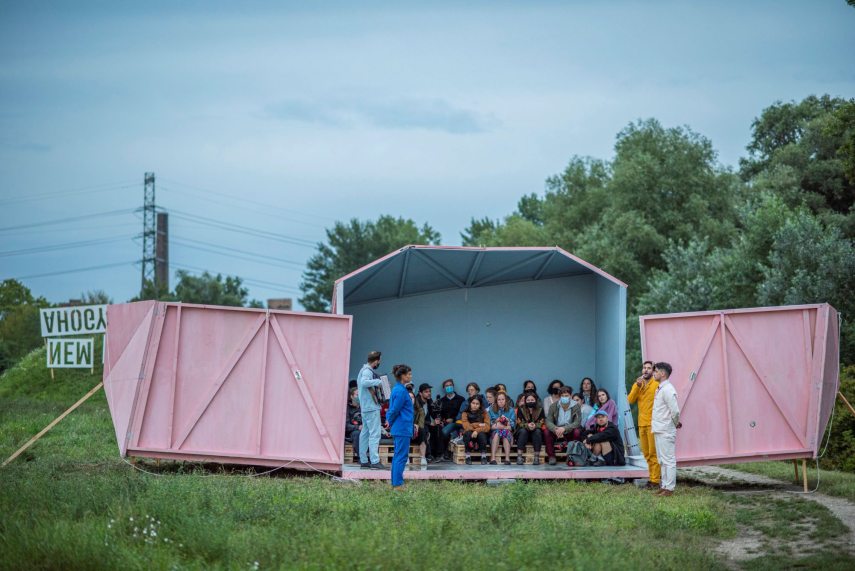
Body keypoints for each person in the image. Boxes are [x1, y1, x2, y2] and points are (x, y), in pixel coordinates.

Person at [628, 361, 660, 489]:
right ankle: (652, 478)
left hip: (653, 423)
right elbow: (630, 400)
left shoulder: (657, 385)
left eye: (649, 368)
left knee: (653, 453)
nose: (646, 370)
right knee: (646, 454)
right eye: (644, 368)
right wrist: (637, 386)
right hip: (642, 423)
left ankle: (655, 480)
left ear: (653, 371)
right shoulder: (638, 384)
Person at [652, 362, 682, 496]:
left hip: (665, 429)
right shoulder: (660, 388)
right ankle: (664, 485)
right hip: (659, 428)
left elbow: (675, 411)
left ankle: (669, 488)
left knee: (668, 459)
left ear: (663, 373)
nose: (654, 373)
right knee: (661, 459)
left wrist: (675, 423)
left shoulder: (668, 389)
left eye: (656, 371)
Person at [387, 364, 415, 490]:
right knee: (401, 456)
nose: (411, 376)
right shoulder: (401, 391)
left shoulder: (399, 389)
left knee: (398, 455)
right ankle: (398, 484)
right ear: (403, 376)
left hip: (401, 427)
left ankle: (395, 482)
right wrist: (390, 422)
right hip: (402, 428)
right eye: (409, 374)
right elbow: (394, 410)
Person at [357, 351, 385, 469]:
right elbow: (364, 383)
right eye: (379, 360)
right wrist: (379, 382)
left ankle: (363, 460)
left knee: (365, 433)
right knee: (375, 434)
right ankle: (374, 461)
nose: (380, 362)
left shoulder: (363, 370)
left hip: (365, 407)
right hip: (371, 407)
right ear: (376, 361)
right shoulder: (368, 371)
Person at [544, 386, 581, 465]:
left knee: (577, 432)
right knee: (547, 432)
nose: (564, 397)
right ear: (560, 396)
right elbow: (548, 421)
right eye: (562, 396)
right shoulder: (554, 406)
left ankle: (571, 456)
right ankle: (551, 456)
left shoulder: (576, 406)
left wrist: (564, 428)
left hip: (569, 430)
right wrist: (555, 428)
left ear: (570, 396)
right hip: (556, 430)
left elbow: (577, 422)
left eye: (566, 396)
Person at [435, 379, 465, 461]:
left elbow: (463, 413)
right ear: (444, 388)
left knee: (446, 431)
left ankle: (447, 452)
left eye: (450, 385)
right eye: (447, 386)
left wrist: (453, 419)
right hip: (445, 423)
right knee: (439, 430)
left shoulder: (461, 399)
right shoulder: (441, 400)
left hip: (457, 423)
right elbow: (439, 413)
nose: (449, 387)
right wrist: (441, 420)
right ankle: (442, 453)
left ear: (453, 386)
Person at [514, 391, 544, 465]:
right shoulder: (521, 409)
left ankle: (536, 457)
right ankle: (519, 457)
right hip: (523, 433)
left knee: (537, 431)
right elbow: (519, 422)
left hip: (535, 432)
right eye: (528, 400)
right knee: (523, 431)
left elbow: (542, 422)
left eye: (532, 400)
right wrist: (528, 426)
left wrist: (535, 425)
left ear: (536, 400)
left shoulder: (540, 410)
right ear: (525, 401)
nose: (530, 402)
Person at [460, 396, 491, 465]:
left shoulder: (484, 413)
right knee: (467, 434)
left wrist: (477, 431)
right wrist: (479, 425)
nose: (475, 405)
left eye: (477, 404)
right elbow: (466, 425)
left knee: (482, 434)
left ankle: (483, 456)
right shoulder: (465, 413)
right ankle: (468, 456)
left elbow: (487, 426)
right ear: (470, 403)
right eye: (473, 403)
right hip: (469, 432)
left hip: (480, 433)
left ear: (480, 405)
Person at [488, 392, 516, 465]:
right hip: (495, 430)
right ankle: (493, 458)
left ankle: (507, 458)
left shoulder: (511, 410)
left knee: (505, 433)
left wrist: (506, 423)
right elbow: (490, 425)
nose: (501, 401)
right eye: (499, 399)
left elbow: (512, 426)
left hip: (506, 430)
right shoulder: (491, 409)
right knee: (497, 433)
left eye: (503, 399)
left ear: (506, 400)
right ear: (496, 401)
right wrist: (497, 421)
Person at [414, 383, 434, 464]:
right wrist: (430, 423)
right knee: (424, 429)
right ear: (420, 393)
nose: (429, 393)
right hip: (417, 424)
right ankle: (427, 455)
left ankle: (438, 454)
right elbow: (417, 419)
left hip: (425, 423)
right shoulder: (416, 403)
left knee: (438, 429)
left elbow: (432, 413)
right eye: (426, 392)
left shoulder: (429, 401)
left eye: (429, 391)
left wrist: (437, 419)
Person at [345, 386, 362, 463]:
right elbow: (346, 426)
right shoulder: (347, 408)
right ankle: (361, 458)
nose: (359, 397)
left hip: (364, 430)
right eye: (357, 395)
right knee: (357, 434)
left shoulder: (363, 407)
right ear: (351, 396)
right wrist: (358, 427)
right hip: (352, 432)